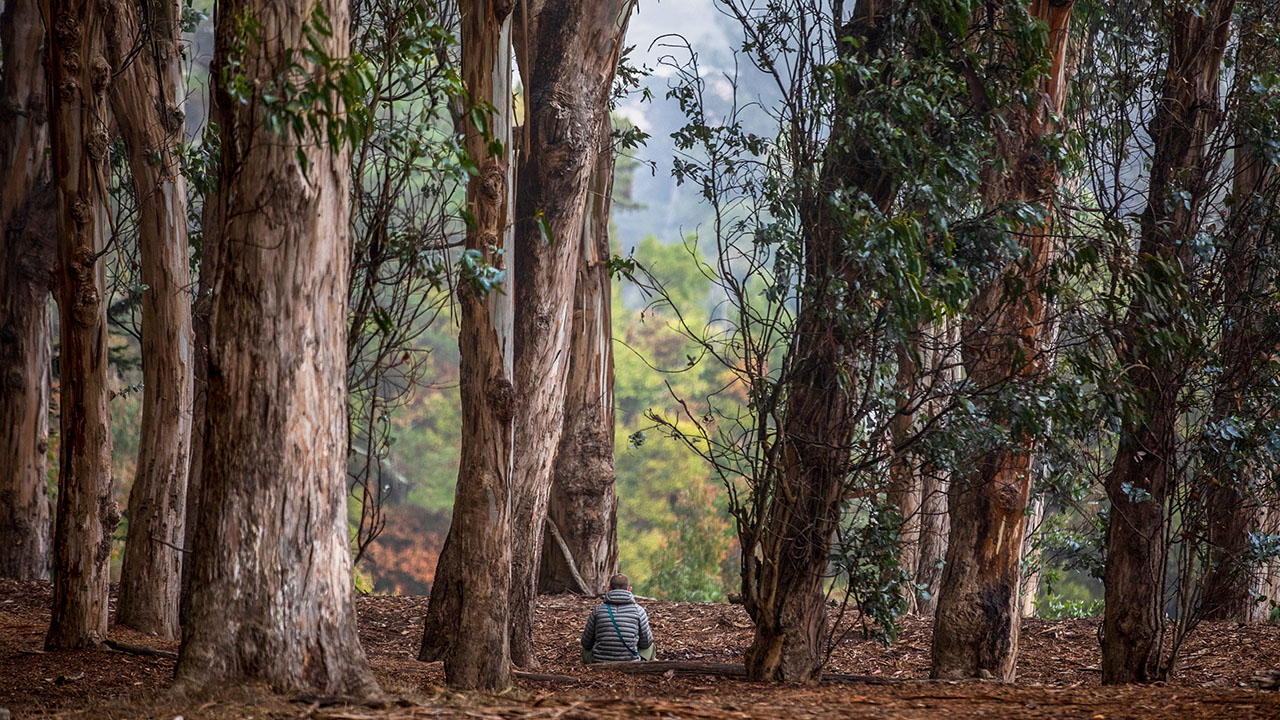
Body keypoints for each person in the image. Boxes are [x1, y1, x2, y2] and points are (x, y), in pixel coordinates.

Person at [581, 573, 654, 663]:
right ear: (629, 589)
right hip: (630, 663)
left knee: (584, 650)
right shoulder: (639, 611)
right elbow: (646, 643)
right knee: (651, 646)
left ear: (608, 589)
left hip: (599, 662)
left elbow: (586, 643)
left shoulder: (598, 610)